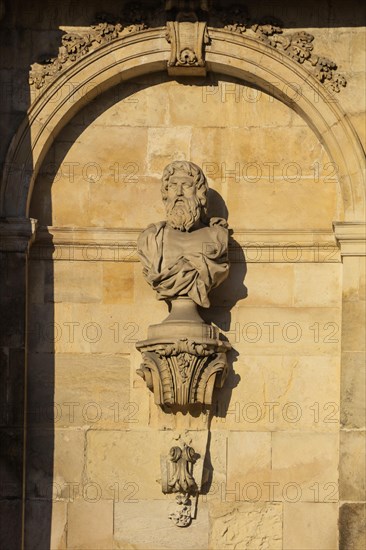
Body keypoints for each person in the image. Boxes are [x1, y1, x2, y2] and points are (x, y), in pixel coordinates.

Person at [137, 161, 229, 308]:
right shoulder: (151, 238)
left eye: (186, 185)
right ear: (166, 192)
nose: (179, 192)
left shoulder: (217, 237)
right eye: (173, 186)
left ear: (199, 191)